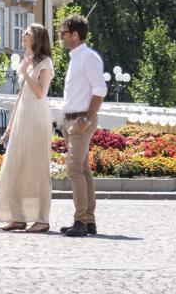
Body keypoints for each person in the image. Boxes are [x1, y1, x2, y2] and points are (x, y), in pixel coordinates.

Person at [0, 24, 55, 233]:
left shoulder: (45, 63)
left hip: (37, 118)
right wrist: (10, 126)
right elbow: (20, 96)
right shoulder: (28, 60)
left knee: (37, 169)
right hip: (22, 115)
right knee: (15, 165)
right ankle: (17, 216)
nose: (23, 35)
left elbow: (40, 92)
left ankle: (42, 218)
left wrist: (24, 72)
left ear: (37, 38)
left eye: (27, 33)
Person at [57, 14, 106, 237]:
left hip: (80, 120)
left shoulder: (88, 57)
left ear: (75, 35)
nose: (61, 36)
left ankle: (81, 220)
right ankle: (88, 220)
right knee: (83, 169)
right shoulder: (75, 57)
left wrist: (86, 119)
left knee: (74, 168)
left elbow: (100, 90)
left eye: (64, 32)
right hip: (71, 119)